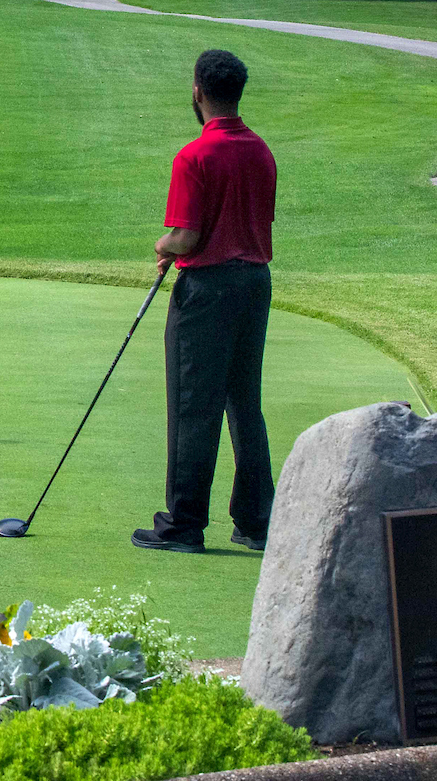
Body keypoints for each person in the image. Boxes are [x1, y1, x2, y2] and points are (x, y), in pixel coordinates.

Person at [136, 48, 277, 555]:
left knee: (194, 404)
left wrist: (163, 244)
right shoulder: (261, 151)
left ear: (197, 91)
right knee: (244, 402)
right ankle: (257, 520)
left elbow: (186, 236)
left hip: (207, 292)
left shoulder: (194, 156)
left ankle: (185, 524)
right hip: (254, 285)